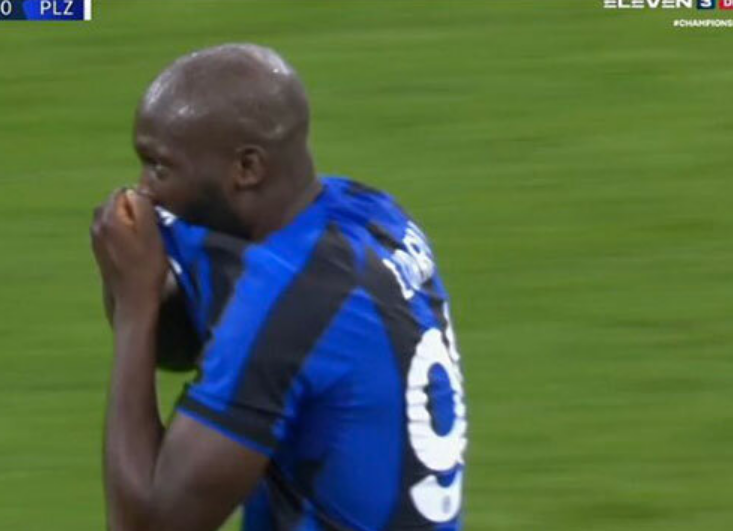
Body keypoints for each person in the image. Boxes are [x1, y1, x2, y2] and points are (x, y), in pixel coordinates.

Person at [90, 43, 467, 531]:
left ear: (247, 169)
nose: (144, 189)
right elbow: (181, 344)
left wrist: (133, 306)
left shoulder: (290, 298)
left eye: (160, 167)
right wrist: (146, 283)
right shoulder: (371, 212)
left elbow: (147, 525)